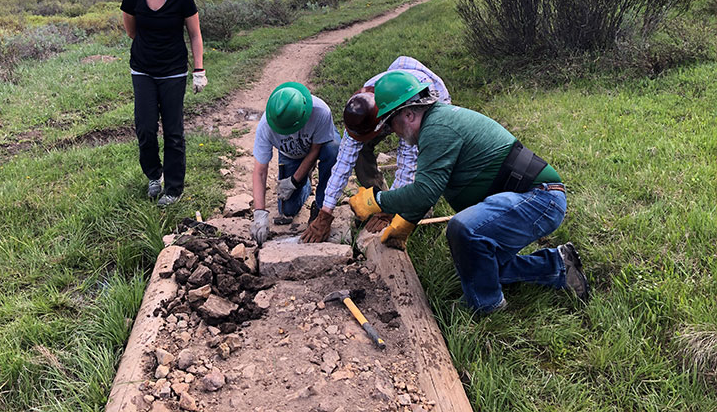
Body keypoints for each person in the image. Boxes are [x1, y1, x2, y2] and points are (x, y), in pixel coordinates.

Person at [349, 70, 590, 314]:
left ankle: (486, 305)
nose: (394, 131)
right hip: (533, 199)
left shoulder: (438, 129)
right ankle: (558, 266)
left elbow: (424, 192)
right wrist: (407, 222)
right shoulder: (436, 124)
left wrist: (376, 200)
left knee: (464, 229)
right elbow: (432, 186)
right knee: (475, 265)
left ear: (408, 114)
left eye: (391, 123)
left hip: (541, 199)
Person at [302, 56, 450, 243]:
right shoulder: (360, 112)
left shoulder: (407, 115)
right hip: (390, 100)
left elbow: (407, 165)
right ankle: (379, 198)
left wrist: (391, 210)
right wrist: (325, 213)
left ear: (384, 125)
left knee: (424, 160)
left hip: (423, 99)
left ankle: (416, 208)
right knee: (360, 152)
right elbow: (342, 164)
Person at [121, 0, 207, 207]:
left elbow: (195, 35)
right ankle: (153, 175)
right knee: (145, 129)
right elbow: (132, 32)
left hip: (173, 72)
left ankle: (173, 188)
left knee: (173, 131)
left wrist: (198, 69)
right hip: (143, 71)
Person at [249, 82, 341, 245]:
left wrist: (294, 180)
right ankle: (306, 183)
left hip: (318, 146)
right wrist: (259, 214)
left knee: (334, 149)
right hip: (291, 155)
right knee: (288, 210)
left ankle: (321, 207)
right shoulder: (266, 126)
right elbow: (260, 171)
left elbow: (315, 151)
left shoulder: (320, 112)